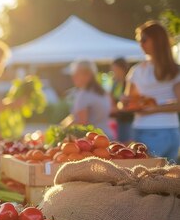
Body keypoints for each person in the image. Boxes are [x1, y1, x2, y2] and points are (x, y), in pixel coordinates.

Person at [126, 21, 180, 161]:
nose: (140, 44)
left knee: (147, 178)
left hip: (146, 130)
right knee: (169, 179)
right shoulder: (175, 70)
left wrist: (151, 108)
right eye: (139, 40)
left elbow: (129, 102)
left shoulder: (137, 71)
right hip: (171, 130)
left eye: (144, 40)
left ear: (157, 41)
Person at [69, 60, 113, 137]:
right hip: (107, 136)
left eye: (77, 74)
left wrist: (66, 130)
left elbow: (82, 124)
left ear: (87, 75)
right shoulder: (103, 92)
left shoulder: (84, 95)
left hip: (93, 140)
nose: (73, 77)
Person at [110, 58, 133, 143]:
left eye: (115, 69)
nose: (114, 72)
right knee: (121, 143)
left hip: (128, 119)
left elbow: (130, 101)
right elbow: (112, 98)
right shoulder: (115, 83)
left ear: (122, 69)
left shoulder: (129, 82)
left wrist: (118, 107)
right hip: (119, 119)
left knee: (127, 144)